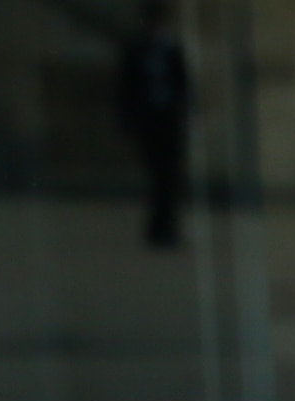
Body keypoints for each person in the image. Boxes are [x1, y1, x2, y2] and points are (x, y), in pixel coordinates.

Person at [113, 0, 192, 250]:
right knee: (159, 175)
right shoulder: (136, 48)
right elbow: (125, 87)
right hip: (149, 120)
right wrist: (127, 120)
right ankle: (158, 227)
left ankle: (164, 226)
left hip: (168, 119)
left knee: (168, 176)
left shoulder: (170, 48)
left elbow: (183, 84)